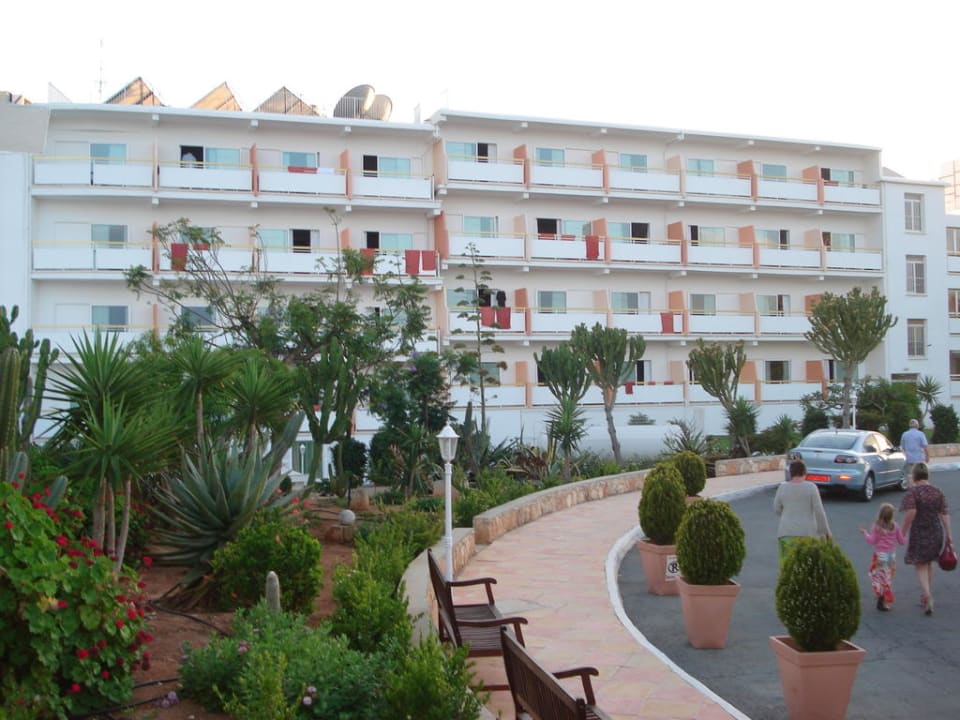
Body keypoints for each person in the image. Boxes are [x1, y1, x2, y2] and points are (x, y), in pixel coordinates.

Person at [899, 462, 952, 615]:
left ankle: (927, 595)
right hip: (936, 531)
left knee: (920, 564)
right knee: (929, 562)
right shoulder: (937, 491)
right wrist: (949, 536)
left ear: (915, 475)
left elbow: (911, 513)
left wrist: (903, 531)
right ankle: (926, 593)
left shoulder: (913, 492)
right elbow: (944, 514)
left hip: (920, 531)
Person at [774, 459, 832, 562]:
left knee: (787, 564)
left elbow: (777, 509)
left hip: (786, 532)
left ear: (790, 473)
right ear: (805, 473)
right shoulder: (811, 487)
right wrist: (825, 531)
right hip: (807, 533)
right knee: (807, 564)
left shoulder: (782, 487)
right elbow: (819, 511)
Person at [859, 503, 906, 611]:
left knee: (876, 575)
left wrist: (865, 533)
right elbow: (901, 541)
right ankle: (884, 598)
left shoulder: (877, 527)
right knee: (887, 576)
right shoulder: (895, 526)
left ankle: (880, 593)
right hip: (890, 556)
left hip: (880, 555)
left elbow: (872, 541)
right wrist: (905, 536)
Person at [900, 419, 929, 486]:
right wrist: (927, 457)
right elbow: (925, 446)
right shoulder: (920, 434)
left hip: (909, 459)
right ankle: (921, 488)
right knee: (921, 476)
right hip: (919, 459)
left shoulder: (904, 434)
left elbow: (902, 447)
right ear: (917, 425)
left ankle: (912, 489)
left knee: (910, 475)